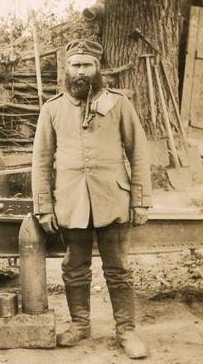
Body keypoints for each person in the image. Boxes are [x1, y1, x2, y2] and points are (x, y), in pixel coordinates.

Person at [31, 39, 152, 359]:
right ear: (66, 69)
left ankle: (126, 331)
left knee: (119, 268)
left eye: (87, 65)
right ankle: (80, 325)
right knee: (74, 266)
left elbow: (138, 152)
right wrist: (44, 205)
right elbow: (41, 161)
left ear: (98, 68)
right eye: (75, 65)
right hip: (71, 201)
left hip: (113, 198)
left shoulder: (120, 104)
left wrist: (140, 200)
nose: (81, 71)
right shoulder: (52, 109)